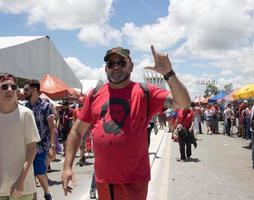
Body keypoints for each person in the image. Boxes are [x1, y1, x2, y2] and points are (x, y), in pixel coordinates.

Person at [61, 45, 191, 200]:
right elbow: (76, 131)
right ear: (106, 68)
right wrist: (67, 166)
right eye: (111, 63)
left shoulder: (144, 92)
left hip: (133, 181)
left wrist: (169, 74)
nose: (116, 67)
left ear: (131, 67)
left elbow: (183, 103)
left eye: (121, 63)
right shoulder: (95, 94)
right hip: (104, 180)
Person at [0, 73, 40, 200]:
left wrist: (20, 181)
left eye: (13, 86)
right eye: (4, 86)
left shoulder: (26, 114)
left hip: (21, 187)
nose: (10, 90)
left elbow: (32, 149)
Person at [23, 80, 56, 200]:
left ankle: (47, 193)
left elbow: (52, 128)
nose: (23, 92)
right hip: (28, 146)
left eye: (26, 89)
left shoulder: (46, 106)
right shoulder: (25, 107)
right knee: (30, 175)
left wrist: (53, 146)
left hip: (42, 146)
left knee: (39, 172)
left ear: (34, 90)